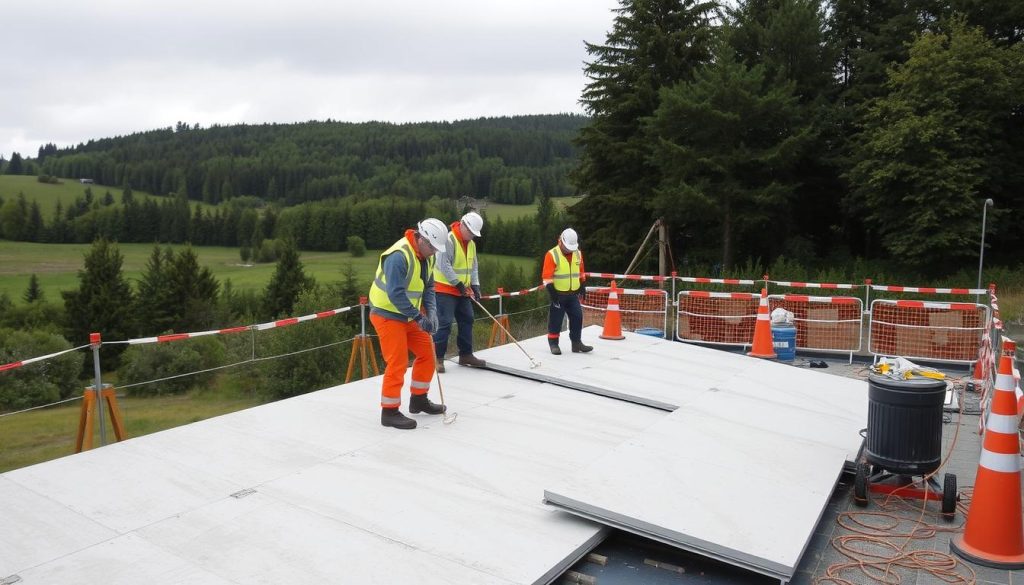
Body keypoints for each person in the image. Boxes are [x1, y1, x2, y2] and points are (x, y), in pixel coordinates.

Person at [367, 218, 449, 430]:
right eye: (432, 247)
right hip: (386, 313)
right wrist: (420, 318)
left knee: (428, 353)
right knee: (398, 362)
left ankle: (418, 399)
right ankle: (390, 411)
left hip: (408, 315)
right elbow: (395, 294)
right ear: (421, 238)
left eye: (436, 249)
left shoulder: (428, 255)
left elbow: (429, 286)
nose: (434, 252)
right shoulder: (399, 256)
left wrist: (431, 313)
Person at [432, 211, 487, 372]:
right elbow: (444, 265)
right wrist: (458, 284)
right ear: (462, 225)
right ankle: (438, 358)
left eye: (474, 234)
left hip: (462, 290)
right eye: (469, 232)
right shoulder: (448, 240)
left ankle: (465, 355)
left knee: (468, 319)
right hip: (444, 289)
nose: (471, 236)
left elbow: (473, 266)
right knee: (445, 323)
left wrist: (475, 285)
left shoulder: (471, 244)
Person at [542, 228, 593, 355]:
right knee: (556, 320)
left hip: (573, 295)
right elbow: (547, 276)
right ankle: (554, 344)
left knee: (577, 317)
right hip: (558, 295)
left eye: (572, 247)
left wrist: (582, 284)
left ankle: (576, 343)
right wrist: (552, 292)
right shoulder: (552, 254)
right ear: (561, 242)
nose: (570, 250)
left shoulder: (578, 253)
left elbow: (581, 270)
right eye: (568, 247)